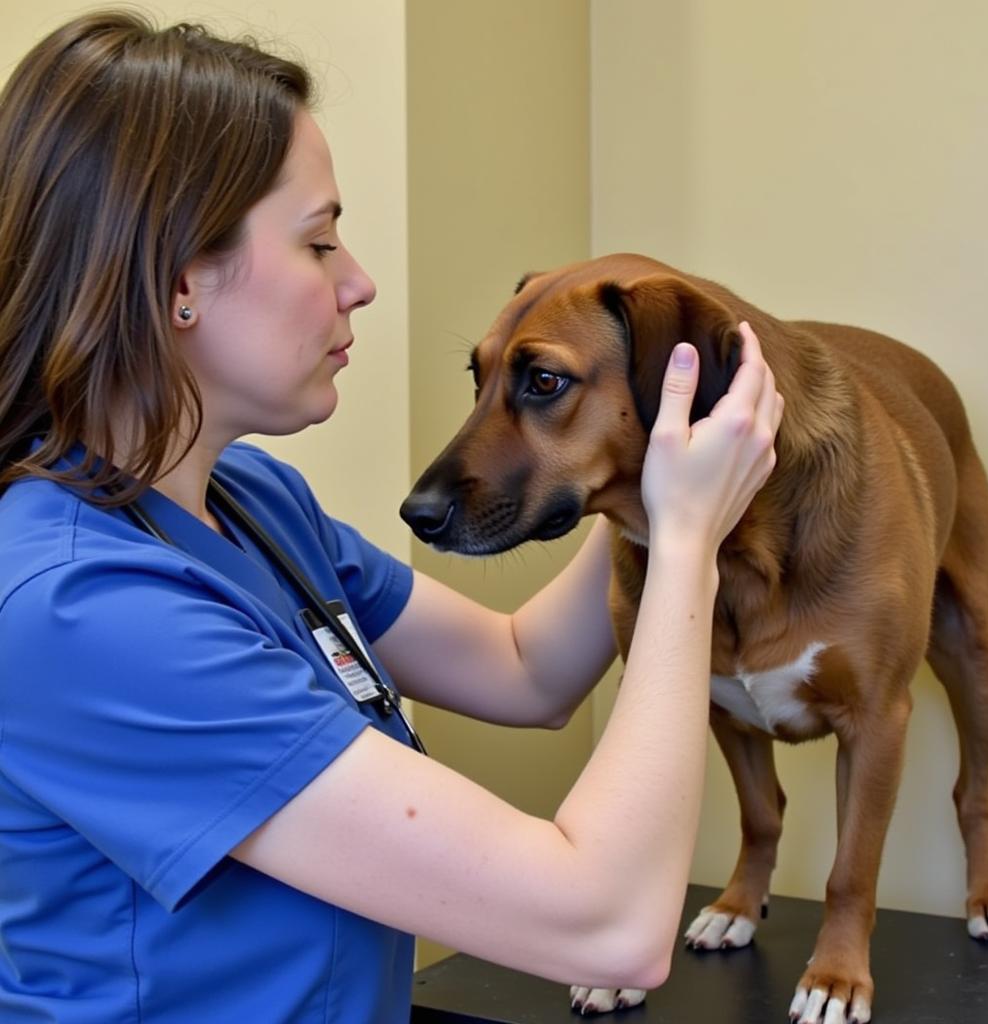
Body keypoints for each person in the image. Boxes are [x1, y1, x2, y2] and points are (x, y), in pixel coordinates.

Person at [0, 10, 782, 1024]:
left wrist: (639, 472)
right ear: (179, 281)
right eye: (319, 241)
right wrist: (686, 545)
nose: (359, 283)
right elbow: (609, 924)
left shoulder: (254, 506)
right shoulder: (82, 610)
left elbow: (523, 668)